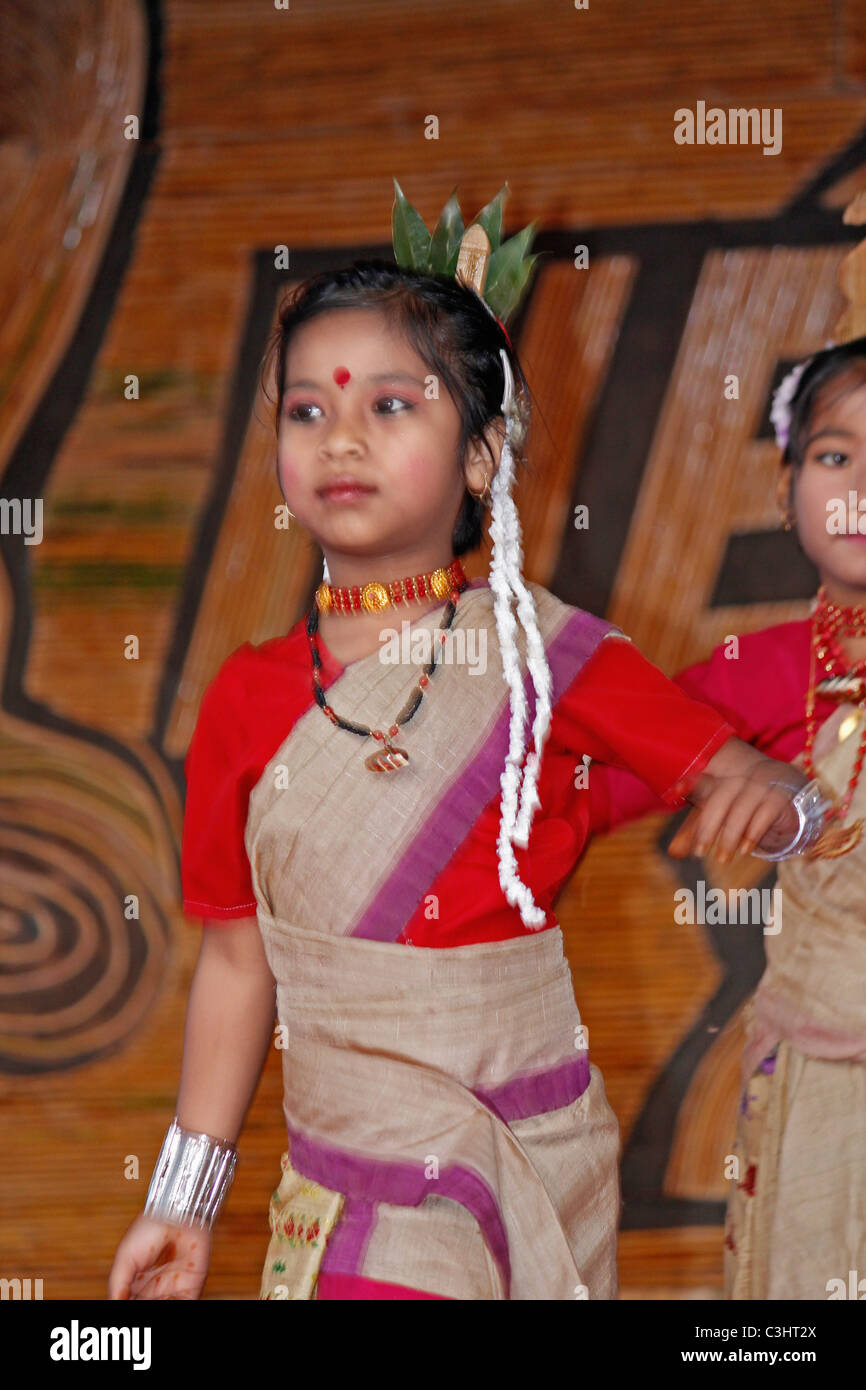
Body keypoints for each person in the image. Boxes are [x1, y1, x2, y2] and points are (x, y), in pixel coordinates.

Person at [107, 193, 831, 1301]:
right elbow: (239, 960)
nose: (339, 437)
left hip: (518, 1160)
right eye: (305, 411)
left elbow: (752, 780)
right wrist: (179, 1200)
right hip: (343, 1181)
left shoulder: (552, 657)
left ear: (483, 455)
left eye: (391, 404)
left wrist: (779, 808)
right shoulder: (248, 699)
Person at [589, 337, 866, 1300]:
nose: (862, 486)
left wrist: (800, 818)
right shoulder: (765, 671)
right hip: (818, 1088)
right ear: (789, 490)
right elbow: (594, 779)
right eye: (835, 458)